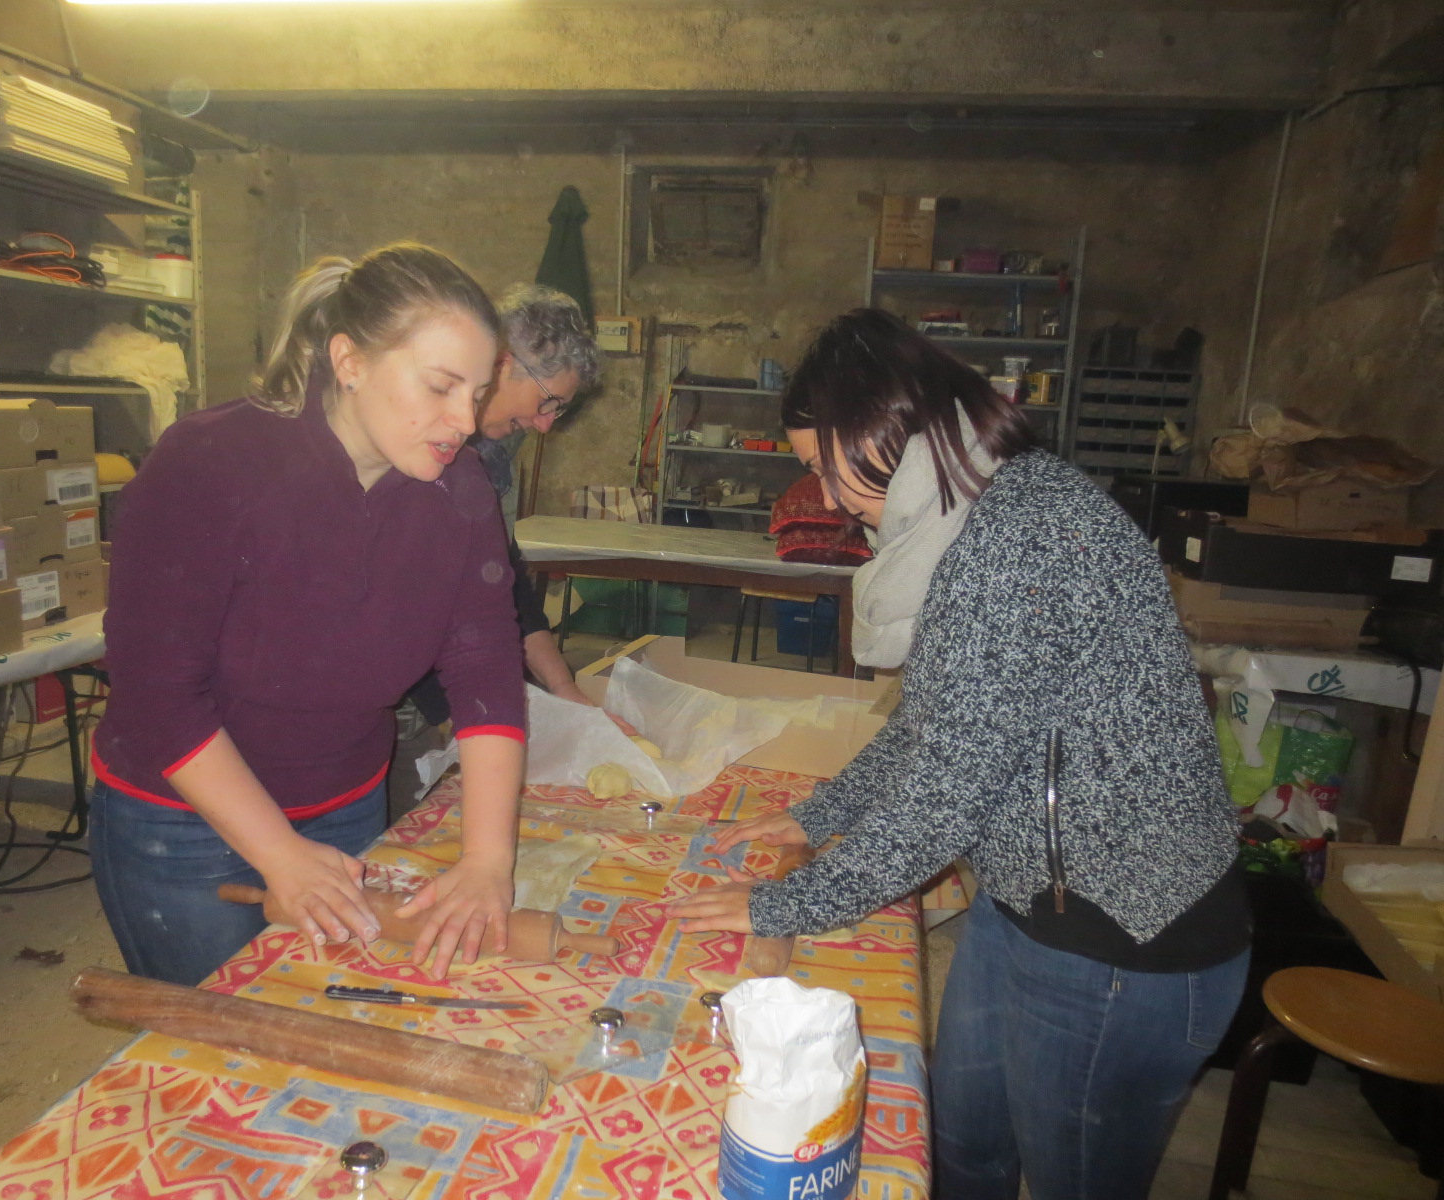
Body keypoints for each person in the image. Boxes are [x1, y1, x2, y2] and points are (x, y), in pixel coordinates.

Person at [666, 308, 1250, 1200]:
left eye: (825, 465)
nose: (823, 496)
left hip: (1125, 944)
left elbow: (943, 796)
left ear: (881, 429)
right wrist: (822, 812)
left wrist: (786, 904)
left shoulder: (1021, 536)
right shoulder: (969, 517)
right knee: (965, 1152)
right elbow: (935, 723)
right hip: (1028, 905)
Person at [91, 243, 528, 987]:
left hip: (345, 806)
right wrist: (279, 854)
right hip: (183, 820)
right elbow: (156, 690)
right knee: (217, 1049)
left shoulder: (459, 492)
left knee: (327, 1023)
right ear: (349, 361)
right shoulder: (211, 462)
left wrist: (488, 860)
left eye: (479, 392)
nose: (466, 420)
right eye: (441, 385)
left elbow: (484, 659)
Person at [406, 284, 616, 719]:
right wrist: (466, 715)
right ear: (501, 364)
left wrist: (561, 687)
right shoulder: (416, 446)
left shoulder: (493, 453)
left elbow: (501, 576)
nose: (544, 425)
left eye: (557, 410)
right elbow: (425, 595)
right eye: (547, 402)